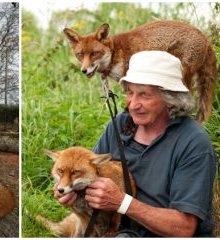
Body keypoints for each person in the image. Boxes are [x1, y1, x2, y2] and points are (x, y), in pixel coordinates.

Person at [54, 51, 216, 237]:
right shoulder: (120, 125)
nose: (132, 104)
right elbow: (90, 175)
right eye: (130, 92)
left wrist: (122, 203)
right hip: (117, 229)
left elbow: (184, 228)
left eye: (144, 95)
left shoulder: (193, 144)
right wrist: (69, 190)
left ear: (170, 100)